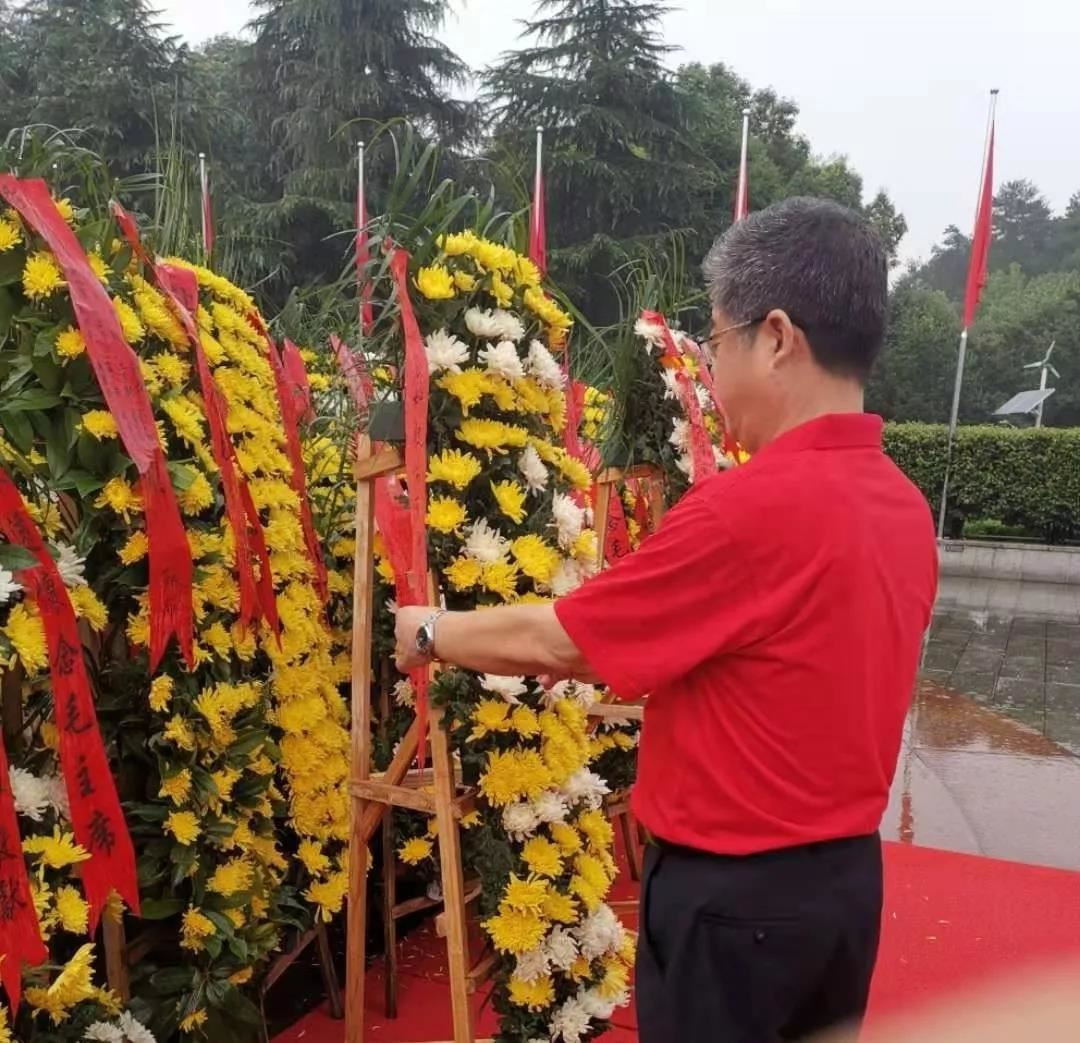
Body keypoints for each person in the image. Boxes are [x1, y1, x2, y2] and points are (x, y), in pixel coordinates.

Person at [395, 197, 939, 1042]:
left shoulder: (749, 510)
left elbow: (564, 640)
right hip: (842, 889)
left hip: (737, 911)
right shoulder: (904, 508)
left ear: (778, 337)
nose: (713, 376)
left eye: (717, 343)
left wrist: (430, 630)